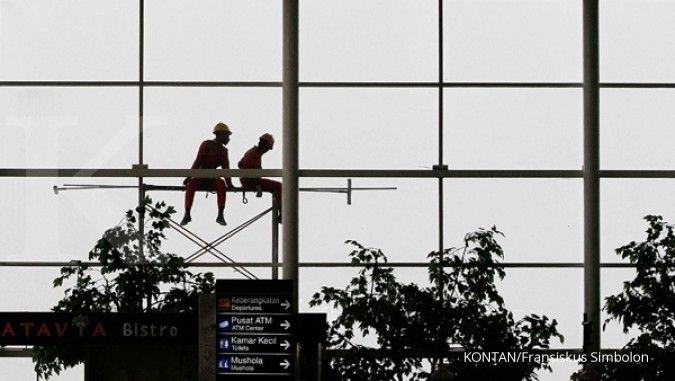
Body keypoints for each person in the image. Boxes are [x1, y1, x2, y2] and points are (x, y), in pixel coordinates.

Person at [180, 122, 235, 226]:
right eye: (226, 136)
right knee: (191, 185)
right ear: (219, 134)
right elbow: (198, 161)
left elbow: (226, 169)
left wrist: (229, 184)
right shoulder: (207, 144)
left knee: (221, 184)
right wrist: (189, 177)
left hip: (211, 179)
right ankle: (187, 213)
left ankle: (220, 214)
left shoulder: (224, 151)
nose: (228, 139)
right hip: (200, 176)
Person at [238, 133, 282, 222]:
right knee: (279, 186)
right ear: (265, 146)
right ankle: (283, 213)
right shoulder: (254, 154)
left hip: (250, 181)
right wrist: (257, 184)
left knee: (278, 187)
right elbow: (248, 170)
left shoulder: (254, 152)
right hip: (251, 181)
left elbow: (240, 164)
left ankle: (281, 210)